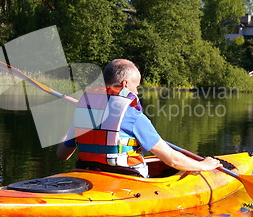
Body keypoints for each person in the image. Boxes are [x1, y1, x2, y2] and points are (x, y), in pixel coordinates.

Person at [56, 59, 221, 177]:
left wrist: (77, 116)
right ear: (125, 85)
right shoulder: (132, 115)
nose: (136, 91)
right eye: (136, 86)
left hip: (88, 174)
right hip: (126, 178)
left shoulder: (85, 111)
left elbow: (62, 155)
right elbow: (171, 159)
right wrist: (203, 165)